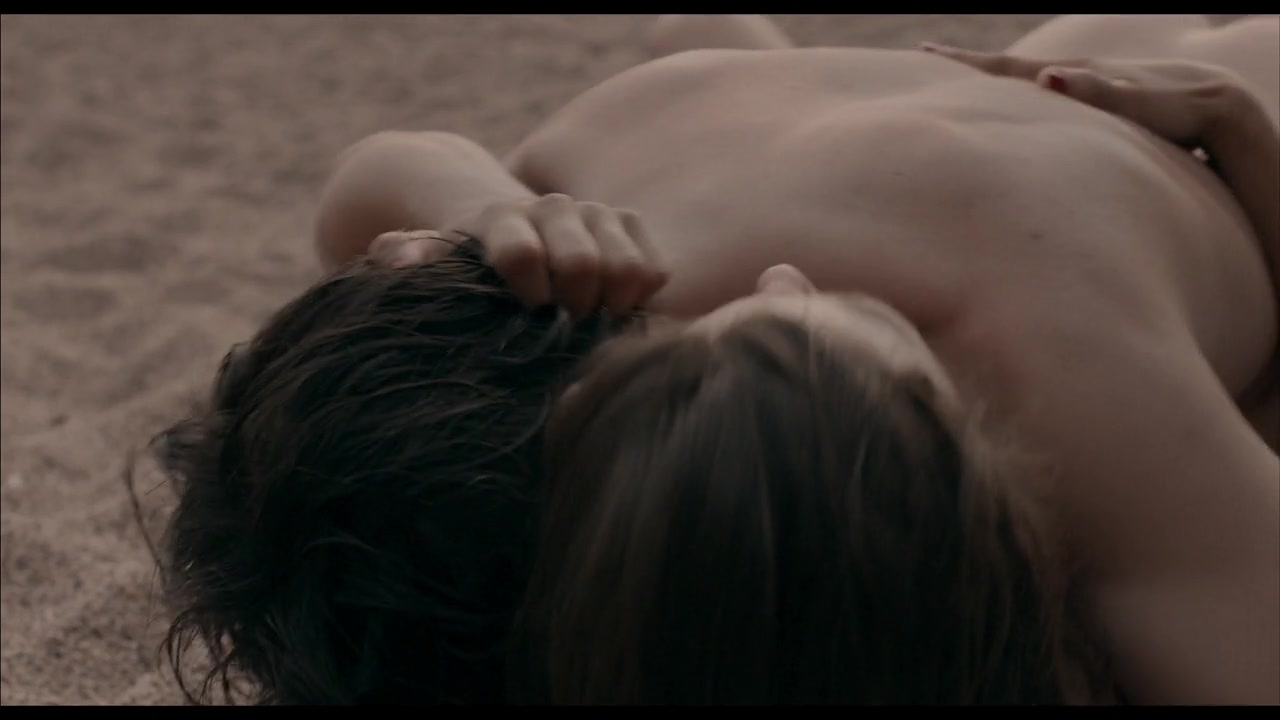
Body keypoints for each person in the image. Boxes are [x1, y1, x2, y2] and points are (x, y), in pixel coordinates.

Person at [149, 15, 1279, 704]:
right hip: (1054, 80)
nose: (782, 287)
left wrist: (1252, 156)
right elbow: (370, 194)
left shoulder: (1034, 378)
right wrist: (475, 193)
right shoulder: (581, 219)